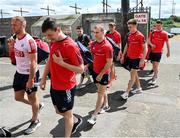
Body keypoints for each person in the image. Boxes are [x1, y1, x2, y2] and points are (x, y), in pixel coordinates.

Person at [40, 17, 84, 137]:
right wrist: (44, 78)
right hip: (55, 84)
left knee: (67, 115)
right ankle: (76, 120)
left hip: (66, 87)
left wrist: (62, 63)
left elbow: (81, 69)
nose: (48, 38)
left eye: (50, 35)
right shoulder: (53, 42)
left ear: (58, 29)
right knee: (58, 111)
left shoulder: (71, 46)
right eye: (46, 36)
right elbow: (50, 59)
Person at [7, 16, 43, 135]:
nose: (12, 27)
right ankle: (37, 106)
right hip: (19, 73)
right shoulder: (14, 38)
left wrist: (31, 79)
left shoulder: (29, 41)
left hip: (29, 73)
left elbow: (33, 62)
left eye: (15, 25)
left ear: (23, 25)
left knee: (32, 97)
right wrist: (11, 47)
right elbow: (14, 58)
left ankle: (35, 120)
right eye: (12, 25)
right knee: (18, 97)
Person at [87, 24, 113, 125]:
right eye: (94, 32)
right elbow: (93, 58)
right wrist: (87, 66)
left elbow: (109, 63)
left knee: (99, 94)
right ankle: (106, 105)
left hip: (104, 73)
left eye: (97, 32)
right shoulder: (93, 44)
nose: (95, 34)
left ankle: (94, 116)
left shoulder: (107, 46)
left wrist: (101, 74)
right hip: (95, 71)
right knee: (101, 90)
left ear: (103, 32)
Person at [120, 19, 147, 100]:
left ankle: (126, 93)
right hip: (130, 58)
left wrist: (142, 60)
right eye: (128, 27)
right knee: (134, 74)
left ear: (135, 26)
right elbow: (126, 46)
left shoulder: (140, 35)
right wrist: (123, 56)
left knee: (132, 76)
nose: (129, 28)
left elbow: (145, 48)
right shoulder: (129, 35)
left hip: (137, 59)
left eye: (130, 27)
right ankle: (139, 88)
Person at [148, 20, 170, 85]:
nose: (158, 27)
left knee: (156, 65)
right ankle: (155, 74)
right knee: (153, 64)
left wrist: (168, 52)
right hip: (152, 51)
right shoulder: (152, 33)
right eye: (157, 25)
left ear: (161, 25)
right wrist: (152, 45)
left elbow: (167, 43)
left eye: (159, 25)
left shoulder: (164, 33)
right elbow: (148, 40)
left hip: (158, 52)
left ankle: (154, 78)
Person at [105, 22, 122, 87]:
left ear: (115, 27)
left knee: (111, 66)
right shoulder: (107, 33)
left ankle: (110, 81)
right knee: (112, 66)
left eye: (112, 27)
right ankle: (113, 76)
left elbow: (119, 44)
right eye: (109, 27)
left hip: (114, 53)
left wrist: (119, 54)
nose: (110, 28)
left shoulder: (117, 34)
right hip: (107, 52)